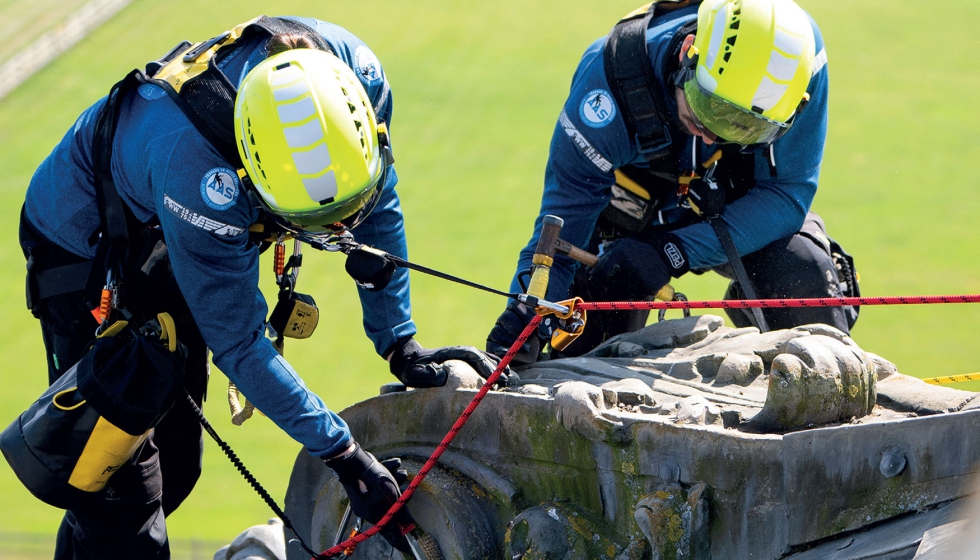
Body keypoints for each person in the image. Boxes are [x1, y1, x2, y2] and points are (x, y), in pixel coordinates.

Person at [19, 16, 500, 558]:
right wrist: (344, 457)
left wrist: (399, 342)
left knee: (177, 466)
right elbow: (240, 343)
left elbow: (377, 198)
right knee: (119, 494)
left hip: (172, 226)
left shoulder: (354, 73)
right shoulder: (204, 177)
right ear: (253, 180)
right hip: (87, 250)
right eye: (318, 225)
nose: (343, 231)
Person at [487, 0, 859, 363]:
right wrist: (526, 316)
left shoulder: (799, 61)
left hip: (736, 200)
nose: (712, 135)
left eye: (745, 127)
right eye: (710, 108)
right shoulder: (605, 90)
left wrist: (672, 251)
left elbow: (786, 194)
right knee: (586, 331)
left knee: (801, 269)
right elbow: (559, 231)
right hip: (629, 214)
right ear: (687, 54)